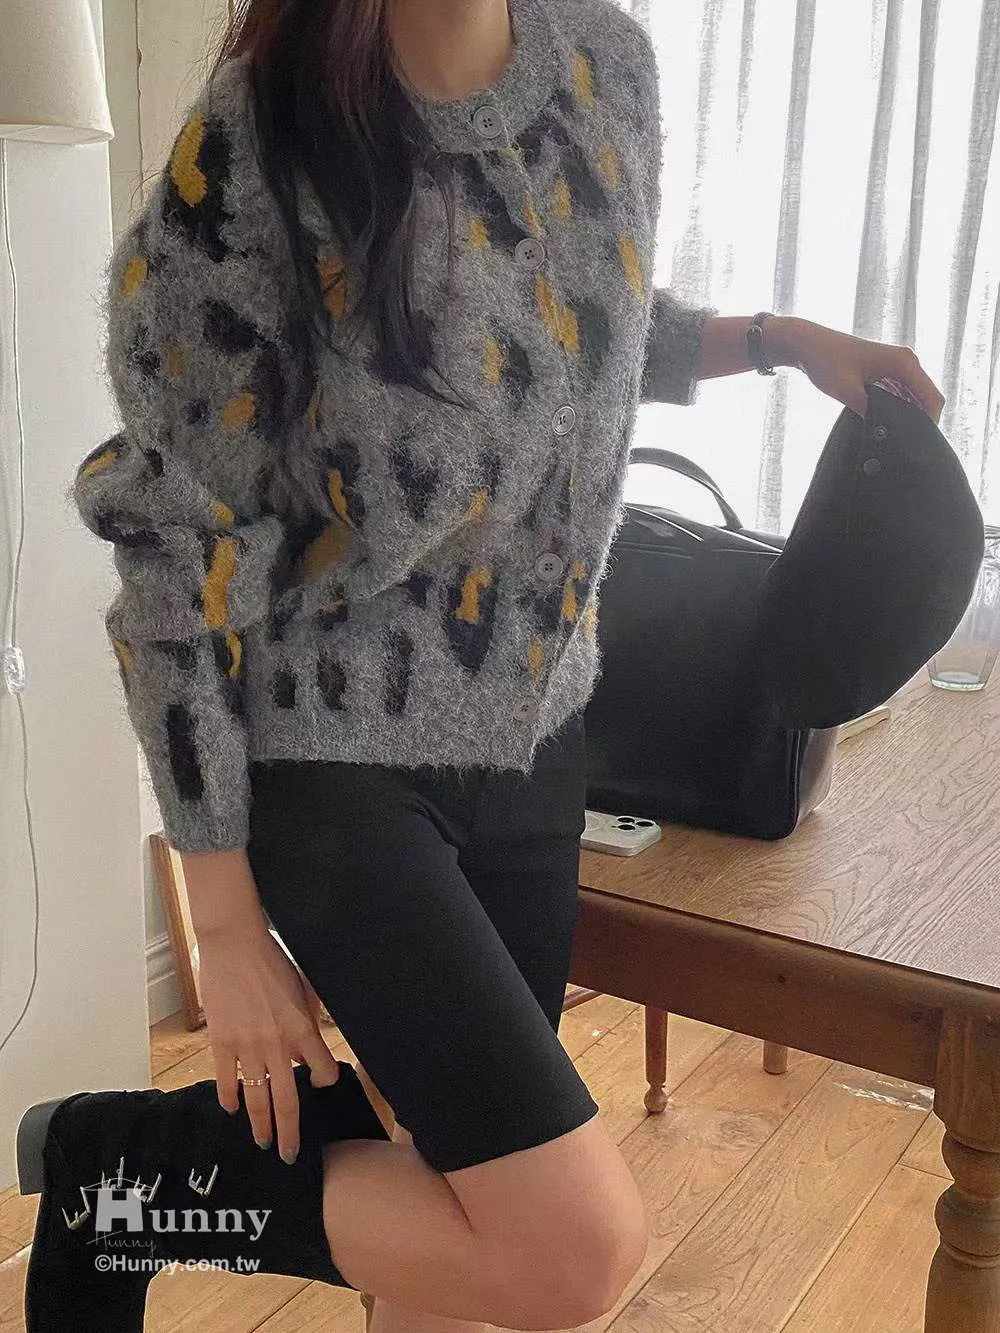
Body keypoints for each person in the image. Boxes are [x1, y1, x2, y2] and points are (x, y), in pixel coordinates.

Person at [19, 1, 944, 1330]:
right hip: (328, 756)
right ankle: (120, 1185)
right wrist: (221, 925)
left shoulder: (605, 67)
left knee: (456, 1237)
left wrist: (779, 341)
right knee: (567, 1254)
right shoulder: (260, 142)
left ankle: (134, 1192)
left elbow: (572, 334)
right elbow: (172, 541)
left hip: (534, 740)